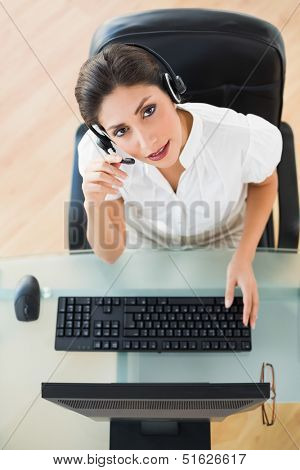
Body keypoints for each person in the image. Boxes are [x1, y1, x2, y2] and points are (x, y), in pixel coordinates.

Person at [74, 43, 283, 330]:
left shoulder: (237, 137)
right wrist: (94, 203)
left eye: (148, 111)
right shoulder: (104, 159)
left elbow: (266, 182)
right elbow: (110, 255)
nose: (147, 143)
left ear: (171, 92)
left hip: (222, 244)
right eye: (121, 131)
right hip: (146, 250)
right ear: (105, 137)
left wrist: (244, 258)